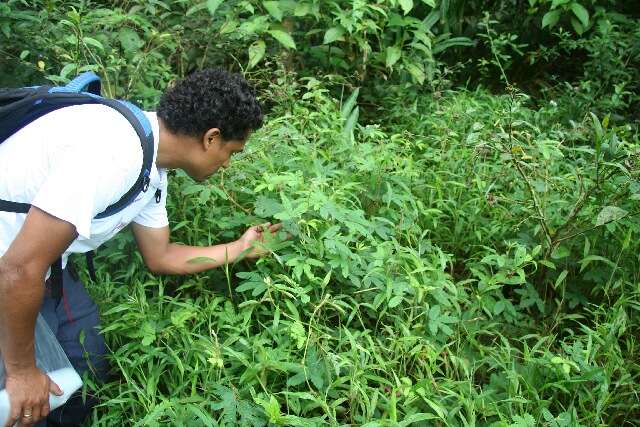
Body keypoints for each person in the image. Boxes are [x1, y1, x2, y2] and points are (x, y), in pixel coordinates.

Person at [0, 68, 279, 426]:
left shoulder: (151, 165)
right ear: (212, 138)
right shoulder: (116, 154)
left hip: (43, 265)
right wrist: (23, 372)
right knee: (23, 401)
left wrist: (240, 248)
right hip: (14, 266)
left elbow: (161, 256)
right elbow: (19, 268)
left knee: (85, 361)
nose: (226, 165)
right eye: (232, 153)